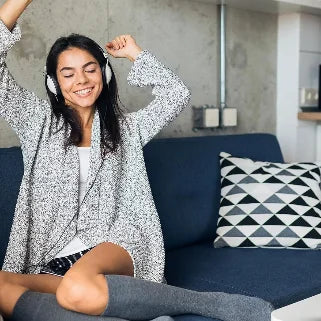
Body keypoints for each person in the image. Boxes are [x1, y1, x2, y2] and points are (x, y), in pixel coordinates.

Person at [0, 1, 274, 321]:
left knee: (75, 288)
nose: (82, 80)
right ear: (54, 83)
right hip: (52, 257)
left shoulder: (128, 128)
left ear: (103, 72)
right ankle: (122, 308)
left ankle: (204, 302)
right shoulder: (36, 122)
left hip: (117, 241)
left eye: (90, 68)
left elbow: (176, 94)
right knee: (21, 287)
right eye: (68, 73)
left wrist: (135, 54)